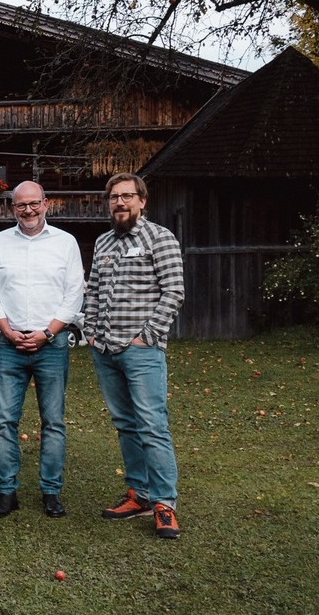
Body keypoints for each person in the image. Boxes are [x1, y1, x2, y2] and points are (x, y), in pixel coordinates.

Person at [83, 173, 185, 540]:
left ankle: (164, 503)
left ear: (143, 201)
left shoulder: (160, 238)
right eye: (114, 197)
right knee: (125, 423)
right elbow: (92, 290)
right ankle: (139, 494)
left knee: (152, 425)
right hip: (105, 350)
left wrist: (148, 336)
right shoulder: (104, 241)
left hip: (142, 351)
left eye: (127, 196)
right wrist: (91, 332)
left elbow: (174, 292)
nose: (120, 203)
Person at [0, 181, 84, 519]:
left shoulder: (65, 243)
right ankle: (6, 491)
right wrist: (8, 331)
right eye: (20, 205)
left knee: (52, 422)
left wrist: (47, 332)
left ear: (46, 204)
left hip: (51, 345)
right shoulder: (0, 242)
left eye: (34, 204)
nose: (28, 210)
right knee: (4, 421)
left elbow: (74, 294)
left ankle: (51, 492)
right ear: (12, 207)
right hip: (10, 345)